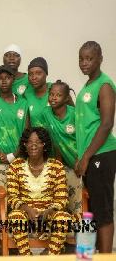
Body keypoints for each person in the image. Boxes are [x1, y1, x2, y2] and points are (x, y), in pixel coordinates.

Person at [75, 41, 116, 253]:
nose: (84, 63)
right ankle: (92, 256)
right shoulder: (89, 84)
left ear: (100, 58)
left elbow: (107, 123)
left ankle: (107, 257)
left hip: (102, 154)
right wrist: (81, 156)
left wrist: (86, 157)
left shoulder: (105, 84)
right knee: (90, 210)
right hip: (90, 156)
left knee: (103, 210)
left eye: (89, 58)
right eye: (81, 58)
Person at [6, 127, 73, 255]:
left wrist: (47, 212)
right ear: (24, 145)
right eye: (29, 142)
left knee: (63, 218)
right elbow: (12, 198)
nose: (33, 145)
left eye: (38, 141)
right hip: (24, 212)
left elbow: (62, 199)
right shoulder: (15, 167)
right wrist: (28, 210)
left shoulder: (56, 166)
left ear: (45, 144)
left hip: (50, 212)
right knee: (15, 218)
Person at [0, 65, 30, 169]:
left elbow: (27, 134)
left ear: (13, 79)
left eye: (8, 78)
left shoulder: (23, 103)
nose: (4, 81)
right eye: (0, 78)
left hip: (18, 157)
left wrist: (14, 155)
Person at [43, 81, 77, 169]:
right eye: (51, 94)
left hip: (83, 159)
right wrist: (59, 163)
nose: (53, 98)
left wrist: (79, 160)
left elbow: (84, 139)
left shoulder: (74, 114)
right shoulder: (46, 113)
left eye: (58, 95)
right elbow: (55, 139)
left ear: (66, 99)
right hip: (69, 162)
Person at [23, 57, 55, 127]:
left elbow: (72, 114)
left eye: (38, 73)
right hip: (37, 137)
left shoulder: (56, 90)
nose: (34, 77)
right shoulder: (26, 94)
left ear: (46, 74)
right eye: (31, 74)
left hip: (57, 137)